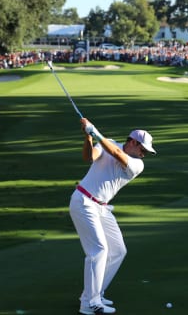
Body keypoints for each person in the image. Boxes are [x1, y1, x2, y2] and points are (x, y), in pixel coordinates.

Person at [69, 117, 156, 315]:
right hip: (83, 201)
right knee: (99, 250)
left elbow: (116, 153)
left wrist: (95, 132)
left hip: (101, 207)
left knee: (117, 250)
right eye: (143, 150)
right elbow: (89, 157)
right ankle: (90, 303)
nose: (144, 154)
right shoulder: (108, 143)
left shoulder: (137, 165)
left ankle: (93, 295)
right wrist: (89, 137)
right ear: (133, 142)